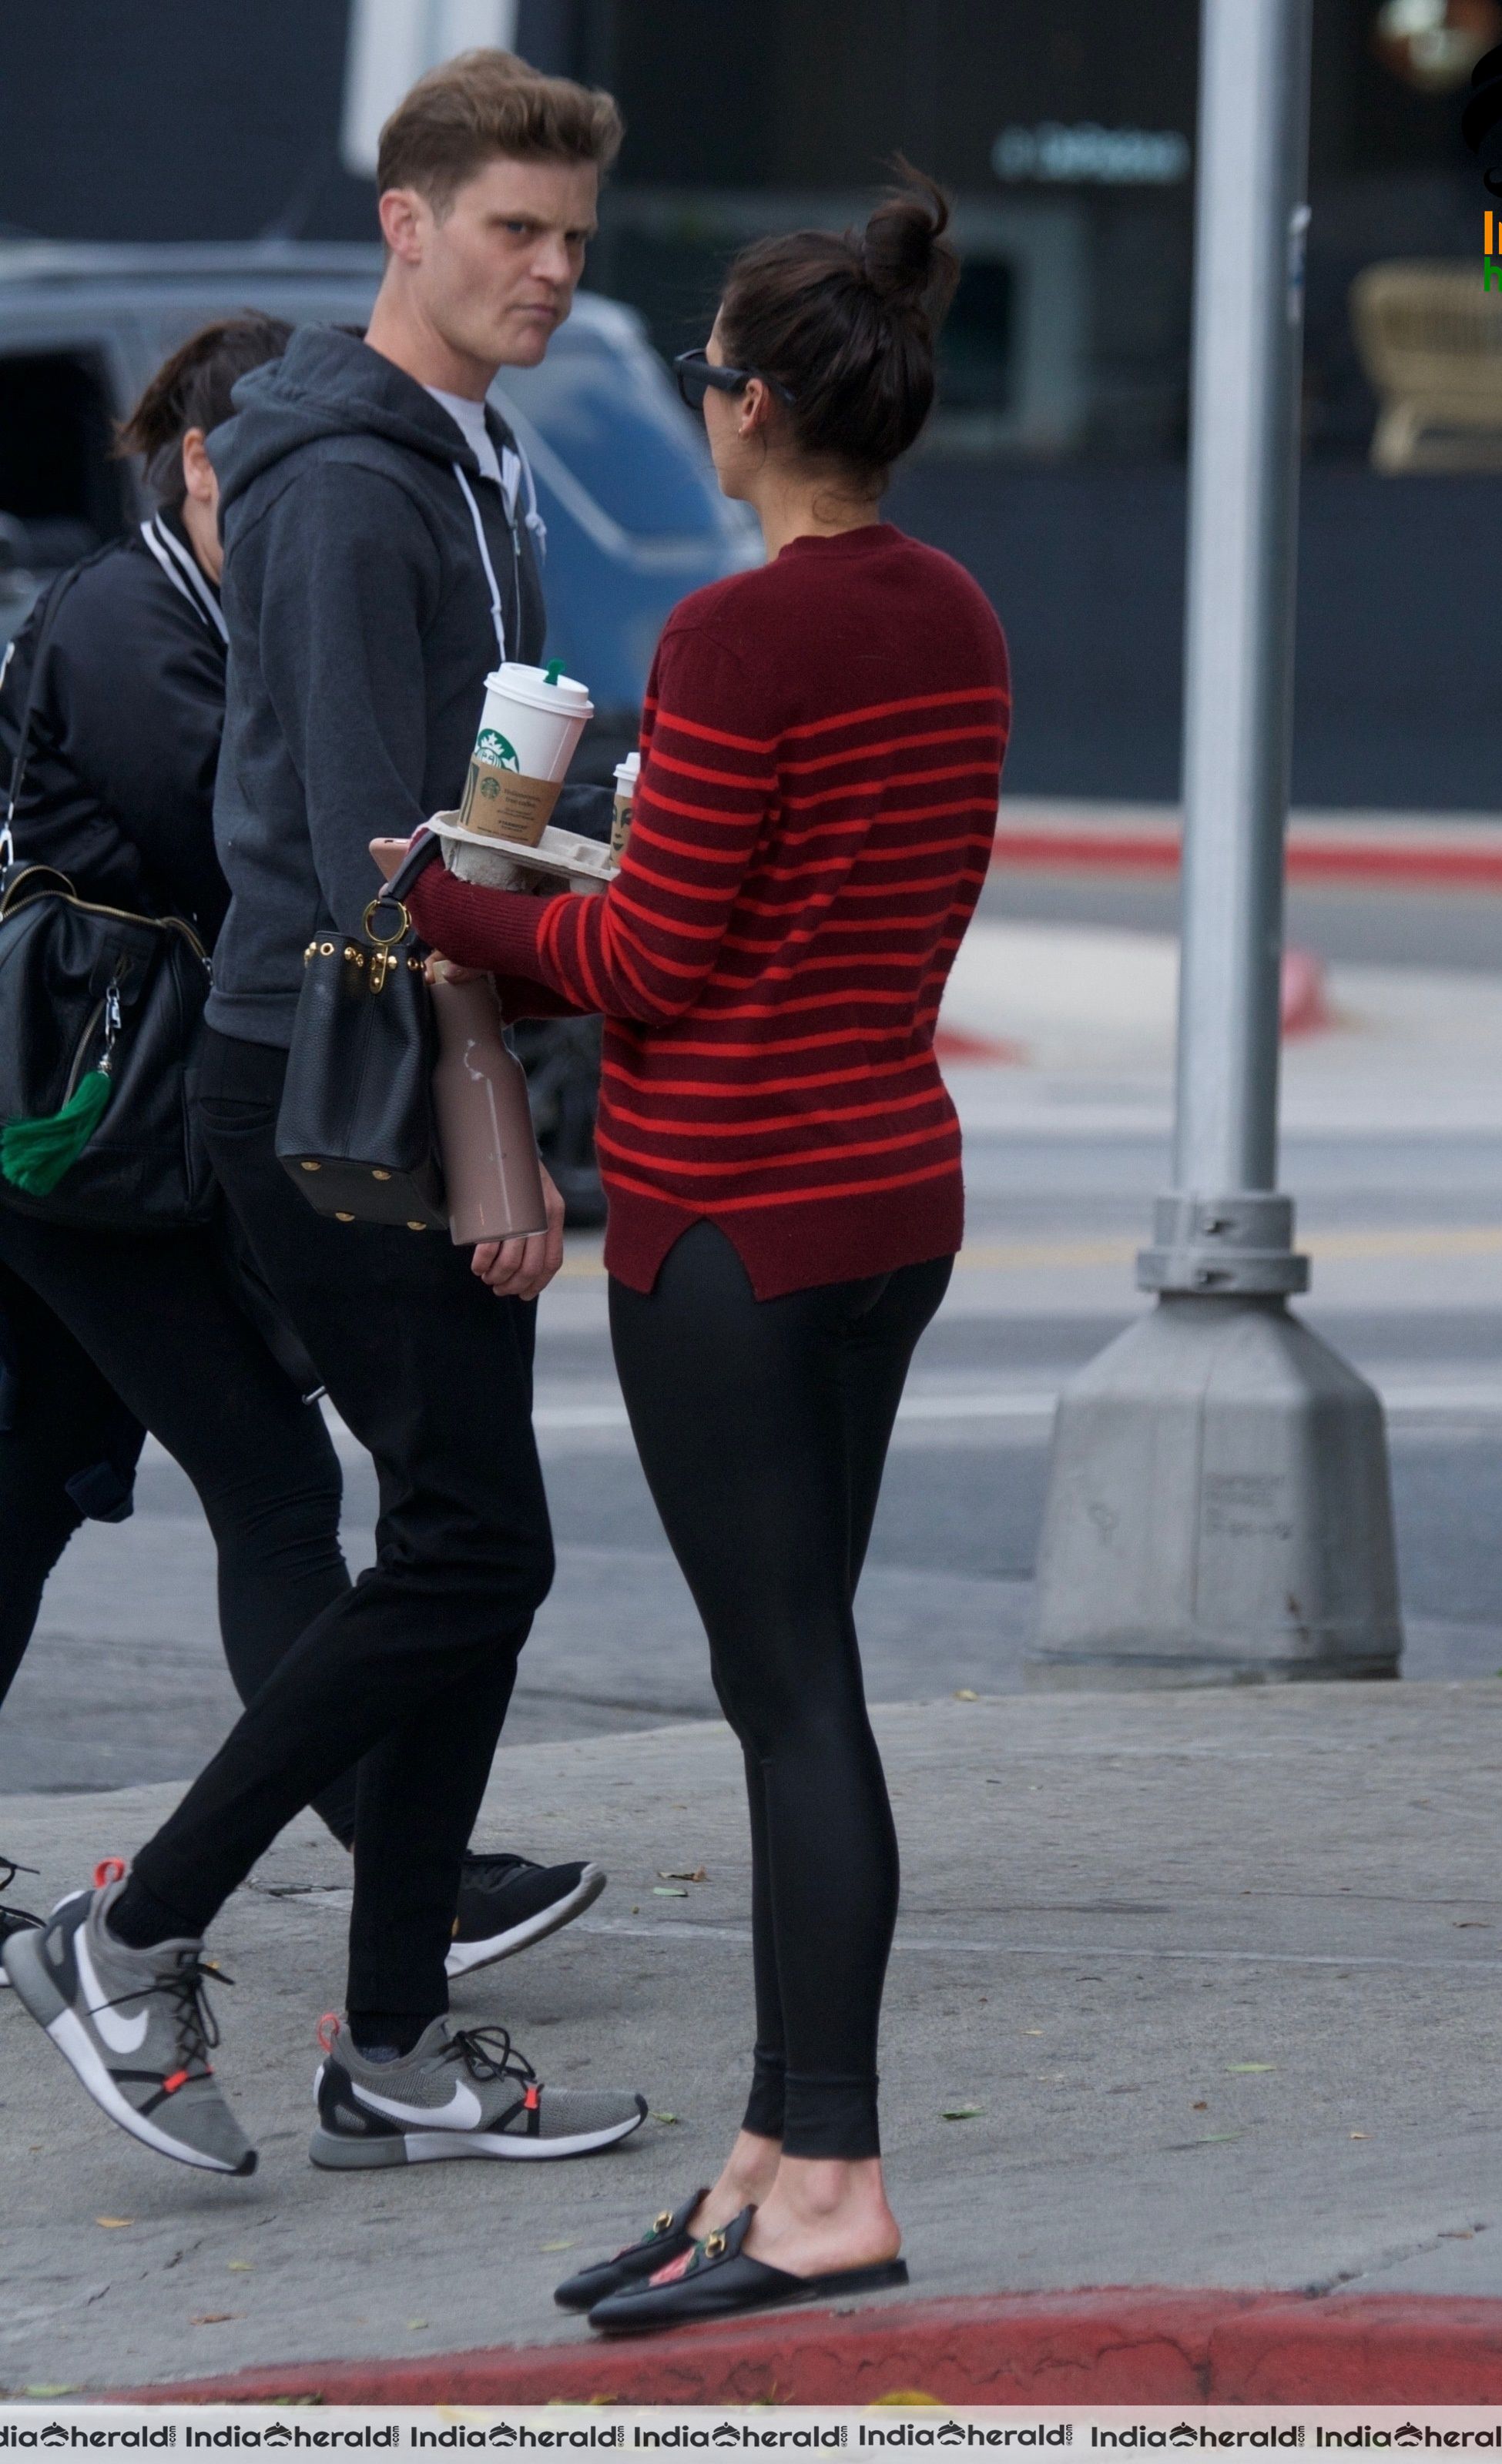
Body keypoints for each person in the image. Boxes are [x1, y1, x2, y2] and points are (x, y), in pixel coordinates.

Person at [2, 55, 645, 2176]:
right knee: (471, 1547)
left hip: (374, 1049)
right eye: (514, 232)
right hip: (341, 1068)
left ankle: (391, 2045)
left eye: (573, 239)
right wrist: (499, 1126)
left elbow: (466, 809)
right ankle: (135, 1929)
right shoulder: (357, 481)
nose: (550, 272)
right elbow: (397, 858)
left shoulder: (459, 455)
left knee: (463, 1544)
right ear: (407, 224)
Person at [404, 167, 1010, 2327]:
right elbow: (809, 904)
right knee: (797, 1678)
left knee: (792, 1694)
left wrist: (455, 896)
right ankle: (768, 2155)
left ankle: (832, 2179)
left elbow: (649, 964)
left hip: (737, 1213)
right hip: (891, 1196)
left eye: (704, 374)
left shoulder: (736, 637)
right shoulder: (955, 614)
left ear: (751, 408)